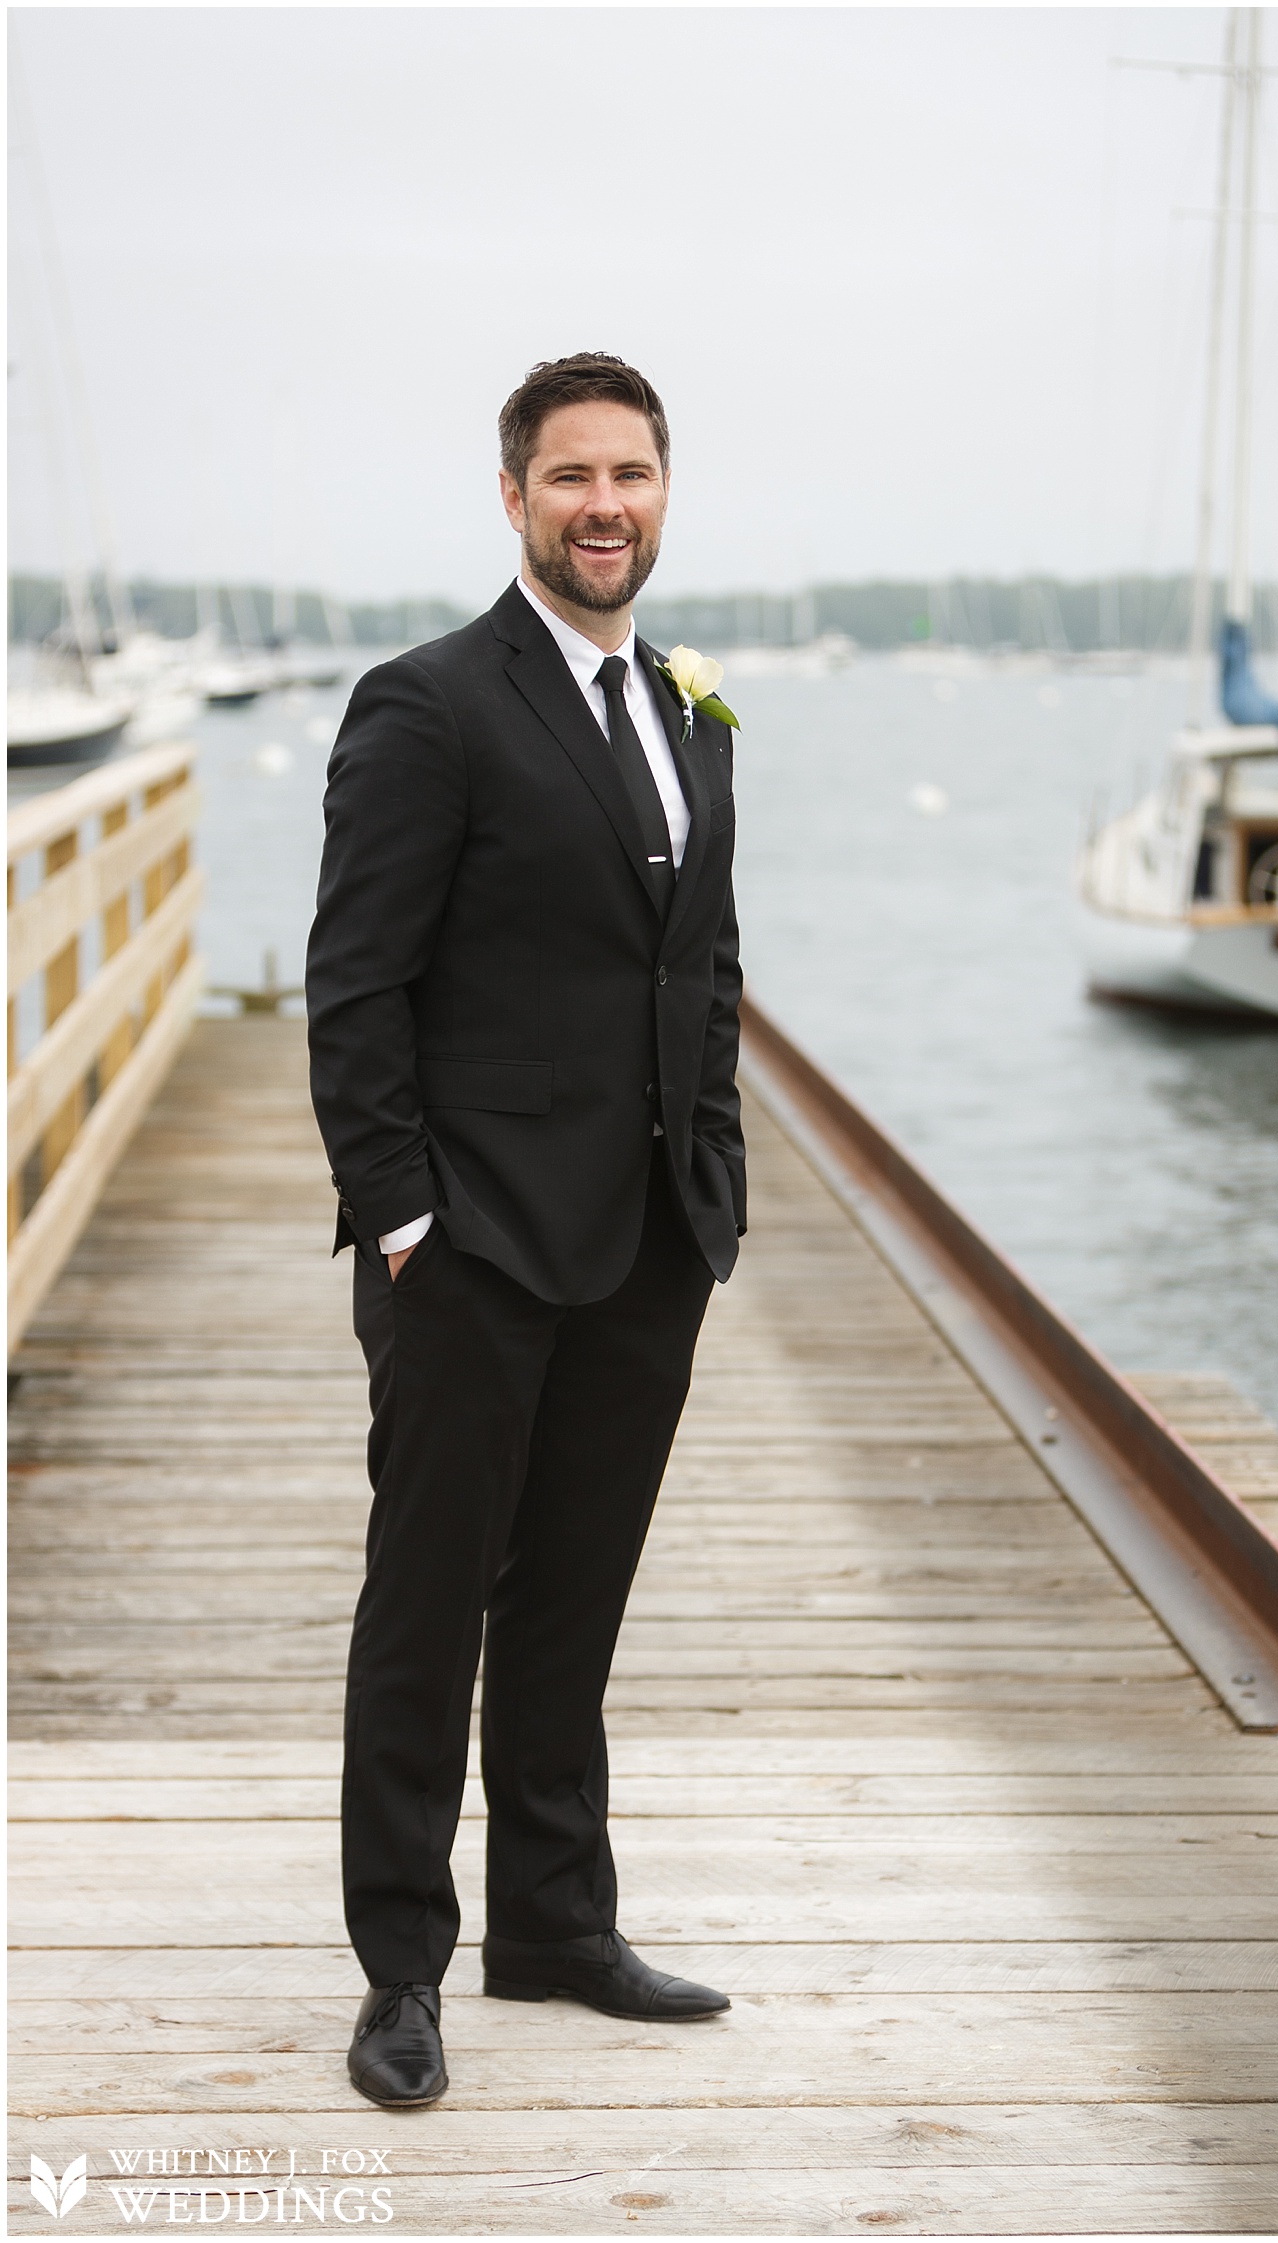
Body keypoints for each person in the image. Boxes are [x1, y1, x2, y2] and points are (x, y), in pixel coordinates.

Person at [306, 352, 745, 2108]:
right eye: (571, 477)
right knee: (429, 1612)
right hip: (472, 1249)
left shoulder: (694, 712)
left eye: (631, 475)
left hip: (646, 1247)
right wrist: (406, 1221)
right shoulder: (426, 705)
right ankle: (401, 1967)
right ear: (514, 497)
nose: (604, 507)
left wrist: (708, 1189)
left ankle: (555, 1920)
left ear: (662, 491)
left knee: (574, 1603)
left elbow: (699, 972)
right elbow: (354, 994)